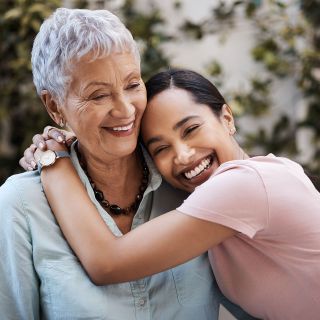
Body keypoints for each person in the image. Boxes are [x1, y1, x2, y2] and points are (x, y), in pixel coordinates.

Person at [0, 7, 253, 320]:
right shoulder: (22, 206)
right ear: (54, 107)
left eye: (133, 85)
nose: (124, 110)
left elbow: (266, 300)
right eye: (98, 96)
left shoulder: (188, 179)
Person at [23, 69, 320, 320]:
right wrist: (86, 141)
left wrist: (54, 161)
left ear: (227, 118)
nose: (183, 155)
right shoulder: (202, 208)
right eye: (161, 148)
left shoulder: (247, 184)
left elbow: (106, 262)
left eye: (190, 129)